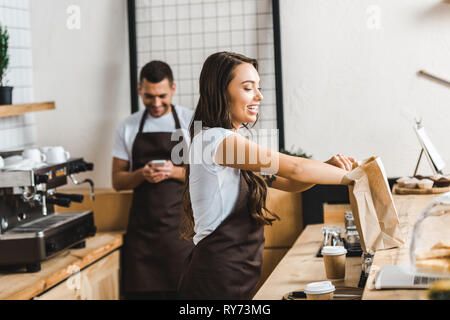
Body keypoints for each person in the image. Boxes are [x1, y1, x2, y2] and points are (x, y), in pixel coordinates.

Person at [178, 52, 356, 300]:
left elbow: (291, 183)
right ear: (220, 91)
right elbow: (295, 168)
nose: (259, 96)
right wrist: (355, 176)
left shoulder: (233, 144)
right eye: (248, 88)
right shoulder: (214, 140)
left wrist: (327, 167)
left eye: (258, 88)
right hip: (215, 280)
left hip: (234, 275)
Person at [112, 61, 194, 300]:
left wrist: (175, 172)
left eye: (162, 96)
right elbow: (117, 181)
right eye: (149, 96)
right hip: (142, 241)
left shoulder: (191, 121)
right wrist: (141, 174)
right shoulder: (127, 127)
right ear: (139, 90)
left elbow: (208, 174)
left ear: (173, 89)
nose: (156, 104)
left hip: (182, 236)